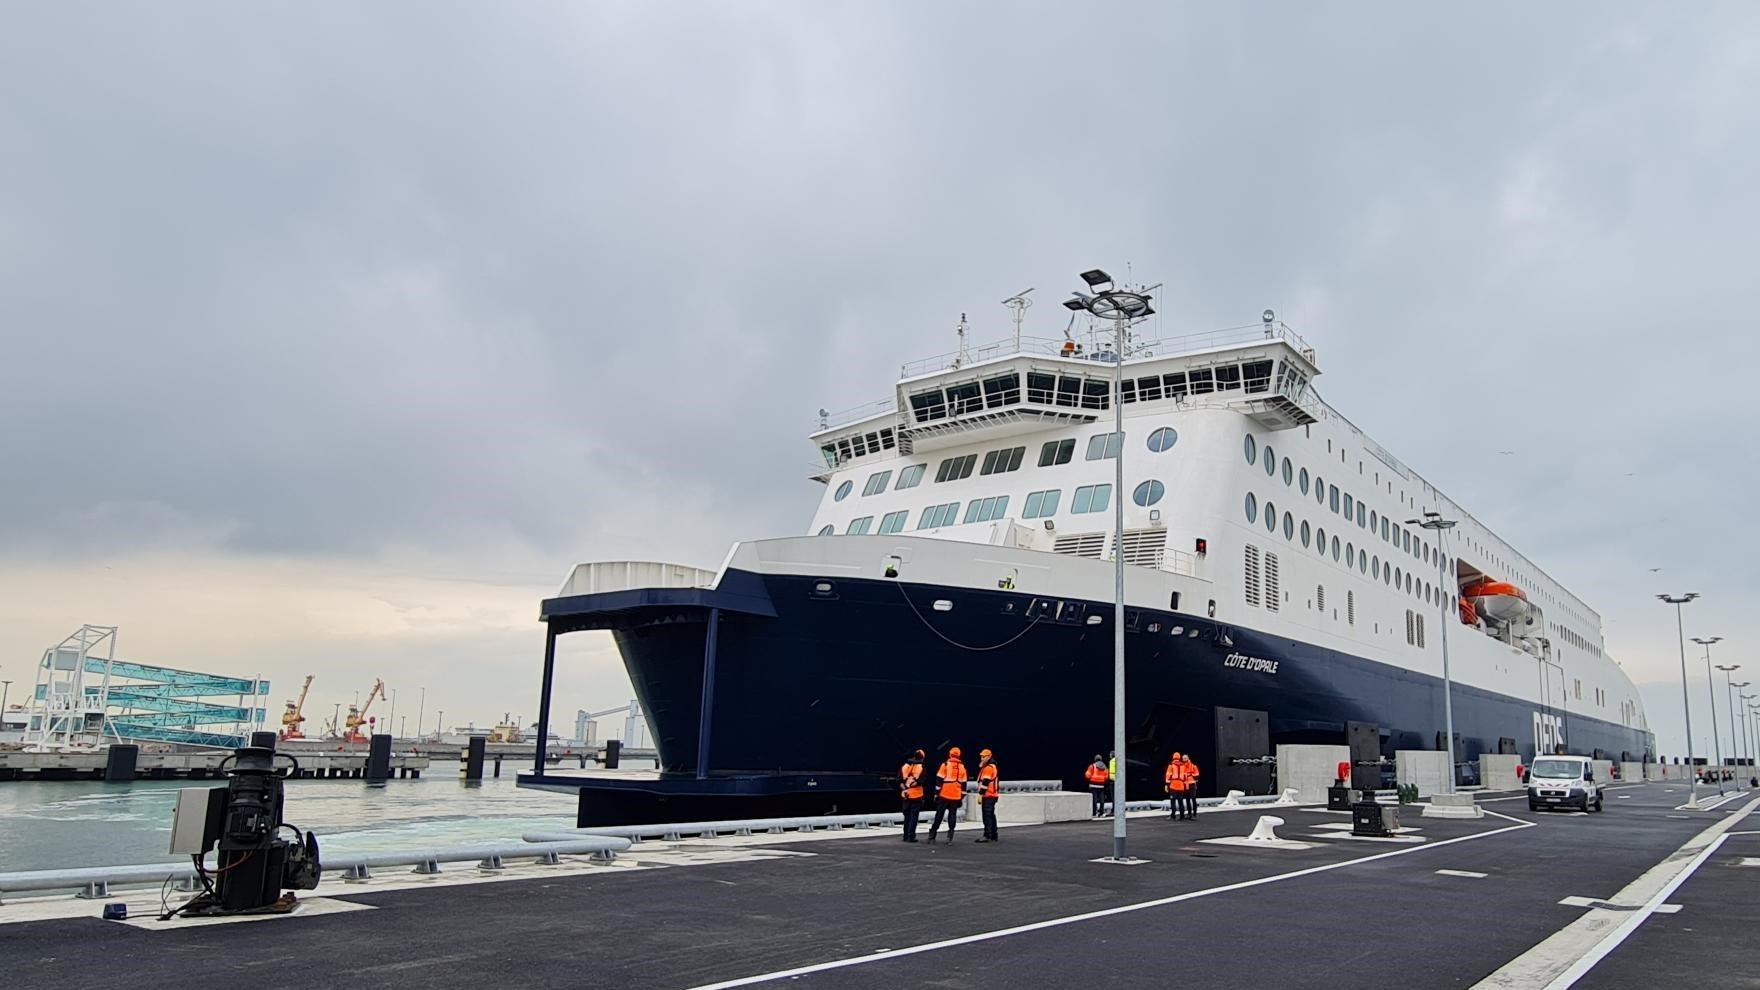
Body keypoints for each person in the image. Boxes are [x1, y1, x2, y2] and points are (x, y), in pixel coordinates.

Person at [926, 746, 968, 844]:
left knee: (939, 815)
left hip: (944, 794)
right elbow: (964, 784)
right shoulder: (963, 768)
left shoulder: (945, 765)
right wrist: (961, 796)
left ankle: (932, 835)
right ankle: (950, 837)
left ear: (949, 754)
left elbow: (939, 780)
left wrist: (936, 794)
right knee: (952, 815)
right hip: (956, 795)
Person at [899, 748, 926, 842]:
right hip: (916, 795)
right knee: (914, 817)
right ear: (922, 758)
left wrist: (905, 787)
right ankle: (911, 836)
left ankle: (905, 836)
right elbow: (921, 781)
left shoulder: (905, 766)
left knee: (906, 816)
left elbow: (900, 780)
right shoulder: (921, 767)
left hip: (905, 794)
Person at [975, 748, 1000, 843]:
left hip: (989, 795)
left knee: (987, 816)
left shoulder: (989, 768)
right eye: (981, 756)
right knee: (991, 815)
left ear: (989, 756)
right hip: (991, 795)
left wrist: (981, 794)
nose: (981, 758)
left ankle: (987, 835)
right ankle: (993, 835)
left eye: (983, 757)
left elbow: (985, 782)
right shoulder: (990, 766)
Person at [1165, 751, 1191, 820]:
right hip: (1181, 786)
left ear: (1173, 757)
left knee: (1173, 801)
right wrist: (1186, 786)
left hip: (1173, 785)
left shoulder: (1171, 765)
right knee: (1180, 801)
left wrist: (1167, 785)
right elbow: (1185, 777)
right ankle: (1182, 816)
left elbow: (1168, 775)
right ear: (1179, 757)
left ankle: (1173, 815)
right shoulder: (1183, 765)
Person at [1178, 753, 1201, 820]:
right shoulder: (1182, 766)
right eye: (1183, 758)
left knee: (1193, 798)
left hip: (1192, 784)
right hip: (1185, 785)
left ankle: (1194, 814)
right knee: (1187, 799)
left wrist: (1191, 776)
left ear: (1188, 758)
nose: (1184, 759)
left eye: (1185, 758)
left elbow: (1197, 775)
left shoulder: (1193, 766)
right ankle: (1189, 813)